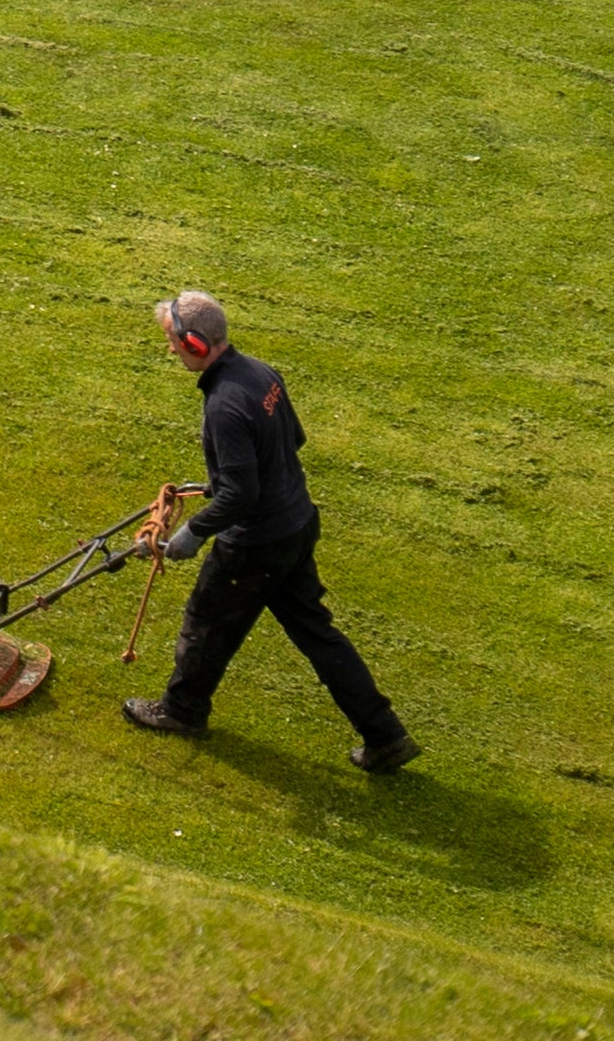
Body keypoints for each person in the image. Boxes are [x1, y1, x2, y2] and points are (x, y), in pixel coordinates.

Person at [123, 288, 418, 774]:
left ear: (195, 343)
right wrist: (221, 483)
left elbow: (242, 496)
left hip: (254, 546)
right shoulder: (260, 373)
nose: (171, 349)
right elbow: (291, 441)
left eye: (174, 342)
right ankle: (386, 736)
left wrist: (194, 533)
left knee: (206, 623)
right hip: (296, 525)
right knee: (317, 635)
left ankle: (181, 711)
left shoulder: (223, 405)